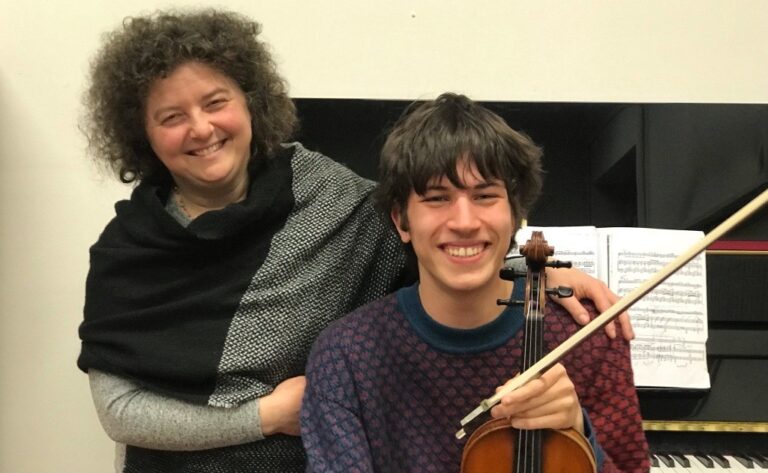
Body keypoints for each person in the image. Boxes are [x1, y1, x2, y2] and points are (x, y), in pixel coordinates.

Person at [76, 9, 635, 473]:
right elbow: (119, 410)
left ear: (250, 101)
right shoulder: (127, 252)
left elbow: (435, 232)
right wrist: (266, 416)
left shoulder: (330, 197)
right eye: (172, 116)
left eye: (216, 101)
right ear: (143, 134)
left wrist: (532, 270)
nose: (201, 128)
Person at [301, 93, 650, 472]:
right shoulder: (346, 357)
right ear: (402, 221)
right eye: (437, 198)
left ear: (515, 213)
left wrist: (580, 435)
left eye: (485, 196)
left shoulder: (590, 336)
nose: (465, 222)